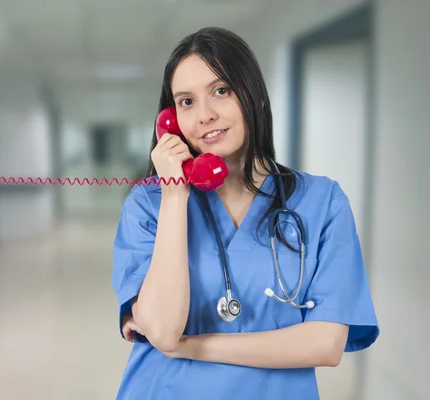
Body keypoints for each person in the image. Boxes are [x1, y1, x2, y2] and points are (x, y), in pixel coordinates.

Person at [110, 26, 379, 400]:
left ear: (255, 95)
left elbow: (325, 343)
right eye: (186, 102)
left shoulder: (323, 202)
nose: (204, 115)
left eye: (221, 91)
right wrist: (174, 196)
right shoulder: (149, 204)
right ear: (171, 119)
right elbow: (163, 329)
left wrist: (193, 347)